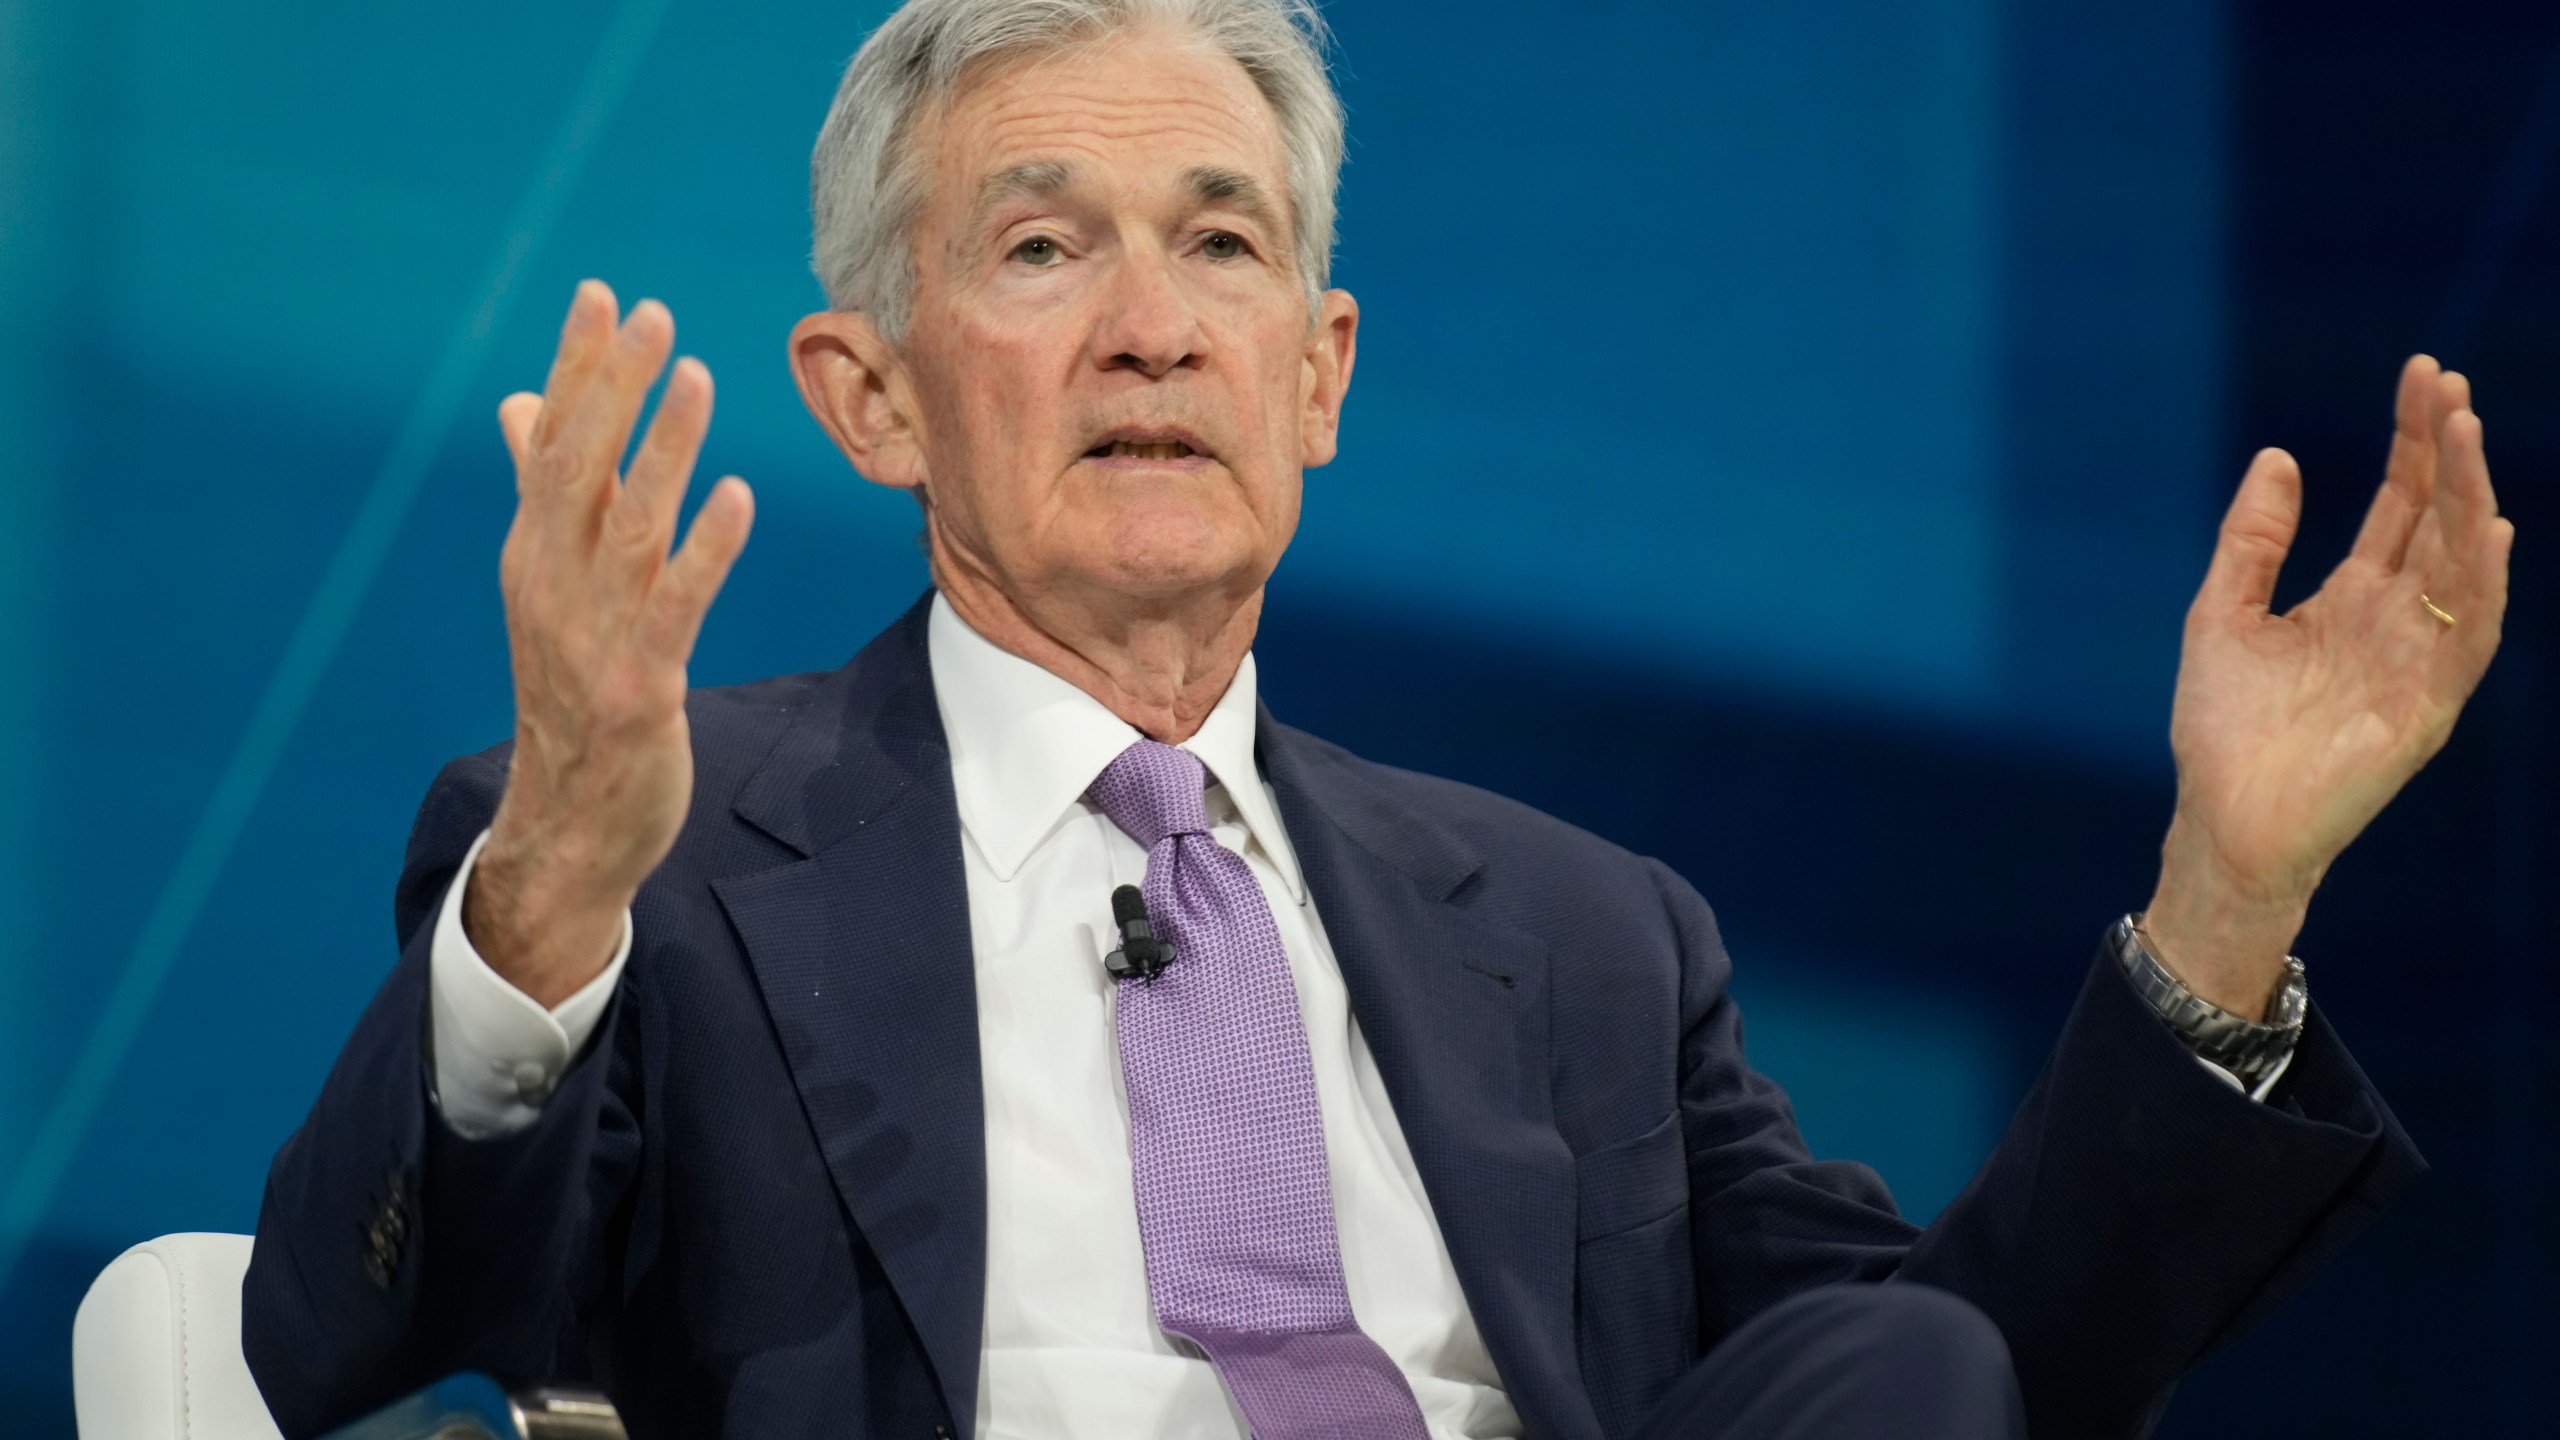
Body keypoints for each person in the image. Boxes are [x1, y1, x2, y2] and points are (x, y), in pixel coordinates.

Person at [240, 1, 2514, 1436]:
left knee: (1904, 1361)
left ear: (1314, 376)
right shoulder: (660, 851)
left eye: (1219, 246)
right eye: (1043, 251)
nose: (1152, 327)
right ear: (870, 400)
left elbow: (1990, 1376)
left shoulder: (1580, 936)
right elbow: (355, 1336)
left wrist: (2229, 892)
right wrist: (552, 876)